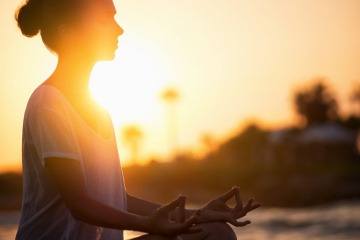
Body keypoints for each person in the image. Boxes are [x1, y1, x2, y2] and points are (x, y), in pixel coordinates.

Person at [14, 0, 261, 239]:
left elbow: (117, 198)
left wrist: (198, 214)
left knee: (216, 231)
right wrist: (146, 224)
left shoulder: (99, 110)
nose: (119, 29)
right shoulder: (49, 103)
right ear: (68, 32)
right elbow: (79, 204)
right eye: (105, 20)